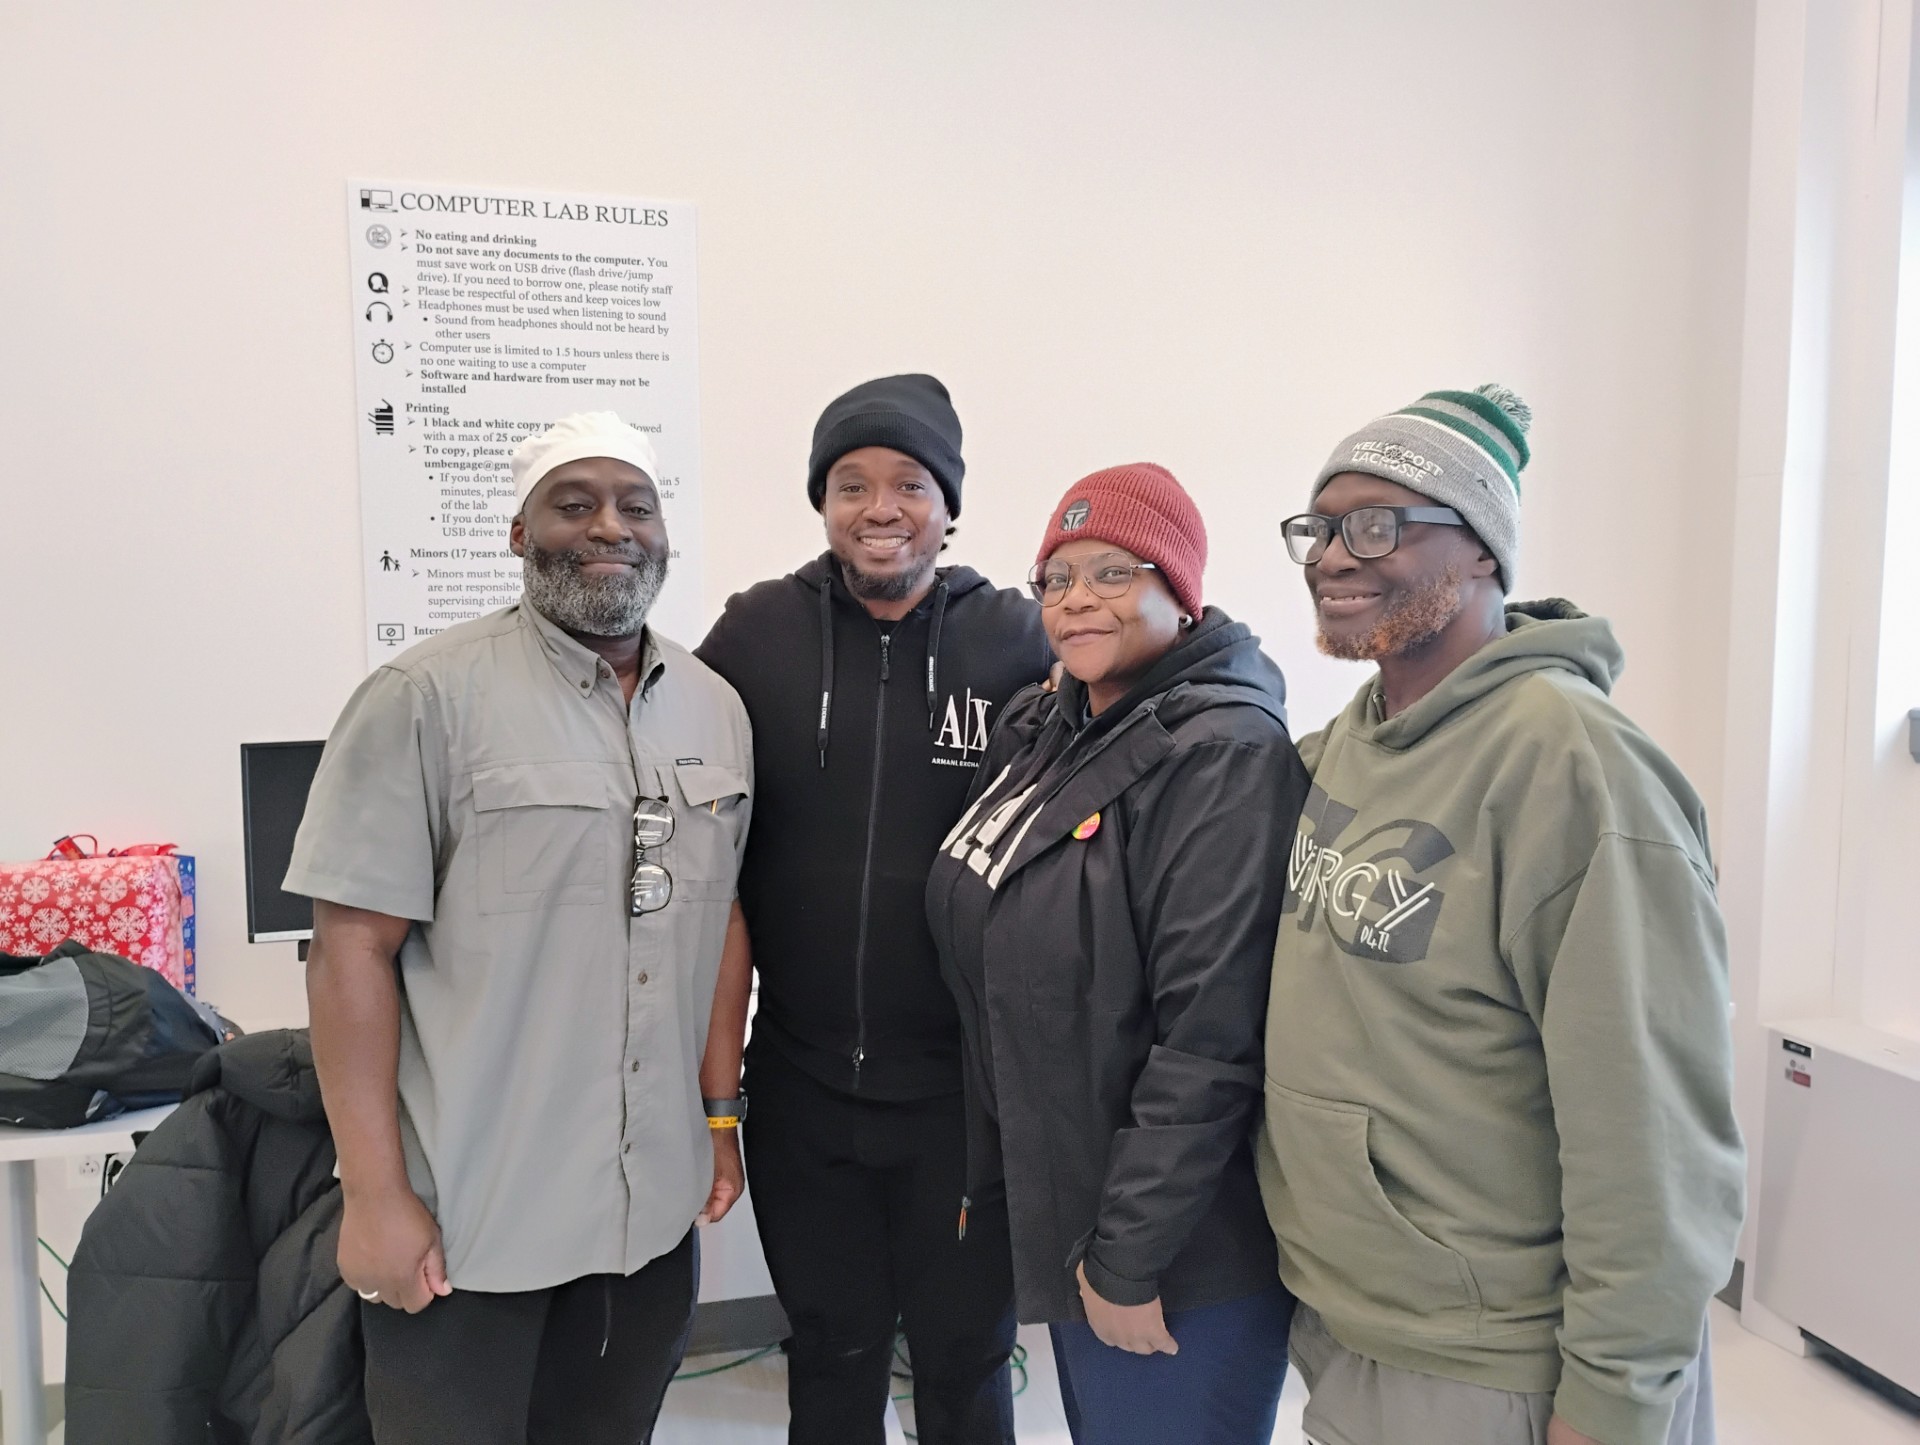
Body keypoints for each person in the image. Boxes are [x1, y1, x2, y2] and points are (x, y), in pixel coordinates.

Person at [1259, 384, 1745, 1445]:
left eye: (1379, 523)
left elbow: (1652, 1129)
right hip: (1361, 1319)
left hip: (1495, 1359)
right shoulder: (1359, 734)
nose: (1334, 555)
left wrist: (1613, 1398)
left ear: (1480, 548)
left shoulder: (1577, 768)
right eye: (1320, 526)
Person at [286, 412, 755, 1445]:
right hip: (474, 1216)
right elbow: (349, 949)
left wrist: (718, 1121)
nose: (610, 528)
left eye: (636, 505)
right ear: (518, 533)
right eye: (574, 502)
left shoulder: (715, 708)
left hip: (650, 1212)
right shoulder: (424, 698)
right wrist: (373, 1195)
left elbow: (719, 920)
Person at [695, 374, 1051, 1445]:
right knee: (833, 1351)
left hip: (960, 1096)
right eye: (851, 483)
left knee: (963, 1360)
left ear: (950, 502)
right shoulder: (757, 632)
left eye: (909, 481)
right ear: (822, 500)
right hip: (804, 1089)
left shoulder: (1014, 641)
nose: (880, 506)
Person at [925, 463, 1307, 1445]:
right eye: (1057, 577)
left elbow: (1211, 1036)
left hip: (1176, 1254)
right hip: (1082, 1218)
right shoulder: (1071, 726)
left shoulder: (1220, 755)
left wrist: (1129, 1256)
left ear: (1178, 588)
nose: (1077, 598)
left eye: (1111, 571)